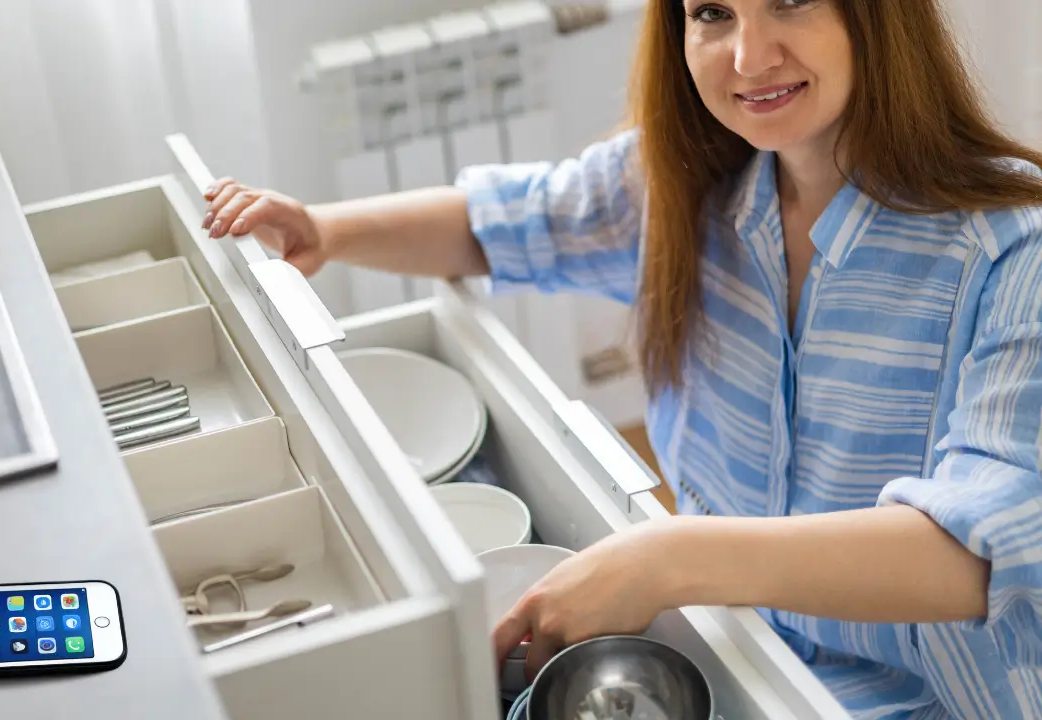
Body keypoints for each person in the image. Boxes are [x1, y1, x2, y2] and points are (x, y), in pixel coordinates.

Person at [200, 0, 1042, 716]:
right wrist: (325, 230)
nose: (748, 56)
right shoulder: (683, 182)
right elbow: (506, 222)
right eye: (712, 12)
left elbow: (972, 556)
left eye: (790, 0)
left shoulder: (1014, 250)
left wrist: (669, 555)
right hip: (735, 654)